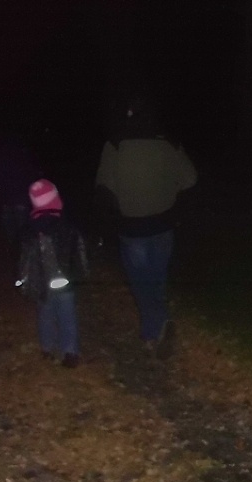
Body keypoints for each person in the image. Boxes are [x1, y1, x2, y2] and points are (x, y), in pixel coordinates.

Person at [93, 95, 197, 359]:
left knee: (141, 282)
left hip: (132, 227)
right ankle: (155, 330)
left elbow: (104, 185)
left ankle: (156, 326)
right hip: (163, 223)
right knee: (157, 278)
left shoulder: (115, 145)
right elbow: (190, 178)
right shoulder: (168, 143)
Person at [17, 179, 89, 368]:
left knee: (45, 314)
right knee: (67, 315)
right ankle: (70, 351)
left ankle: (47, 348)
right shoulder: (67, 225)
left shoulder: (29, 229)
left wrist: (27, 281)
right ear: (55, 199)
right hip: (65, 280)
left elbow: (24, 259)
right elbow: (78, 251)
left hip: (42, 281)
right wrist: (80, 274)